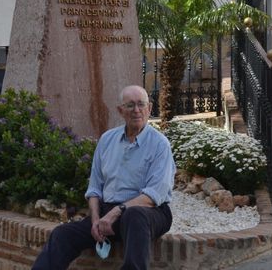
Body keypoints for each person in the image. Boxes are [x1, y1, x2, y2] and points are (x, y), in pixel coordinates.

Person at [32, 85, 175, 270]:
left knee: (134, 215)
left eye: (141, 104)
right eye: (130, 105)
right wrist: (95, 220)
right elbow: (94, 188)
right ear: (120, 110)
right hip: (109, 213)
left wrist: (116, 212)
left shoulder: (160, 144)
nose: (137, 110)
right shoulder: (107, 140)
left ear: (149, 108)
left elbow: (154, 195)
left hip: (149, 212)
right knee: (62, 234)